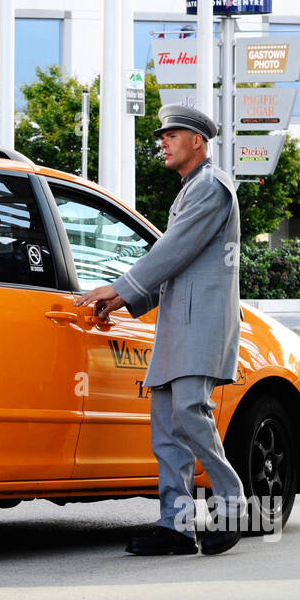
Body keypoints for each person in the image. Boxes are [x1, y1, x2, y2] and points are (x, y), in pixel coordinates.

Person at [77, 104, 246, 556]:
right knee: (167, 429)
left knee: (190, 413)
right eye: (163, 136)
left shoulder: (210, 187)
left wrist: (120, 288)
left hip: (200, 323)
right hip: (179, 323)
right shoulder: (192, 189)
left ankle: (231, 506)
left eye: (173, 135)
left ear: (198, 141)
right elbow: (177, 266)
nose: (163, 143)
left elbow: (172, 251)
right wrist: (124, 298)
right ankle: (176, 526)